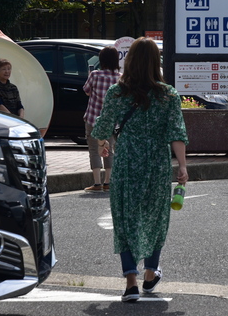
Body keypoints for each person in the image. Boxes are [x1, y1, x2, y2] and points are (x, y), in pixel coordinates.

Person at [90, 37, 189, 303]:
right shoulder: (168, 94)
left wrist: (103, 143)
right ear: (156, 62)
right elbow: (176, 132)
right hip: (156, 165)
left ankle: (130, 282)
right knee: (155, 219)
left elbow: (101, 128)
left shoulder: (117, 92)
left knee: (126, 219)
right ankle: (149, 274)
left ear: (130, 60)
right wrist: (182, 165)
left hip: (126, 165)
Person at [82, 46, 121, 192]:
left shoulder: (94, 75)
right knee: (109, 149)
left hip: (93, 117)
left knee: (94, 149)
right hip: (112, 120)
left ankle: (97, 183)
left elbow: (86, 91)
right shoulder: (120, 78)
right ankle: (108, 182)